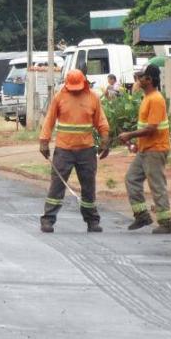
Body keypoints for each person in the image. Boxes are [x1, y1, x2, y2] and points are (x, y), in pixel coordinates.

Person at [38, 68, 110, 233]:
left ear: (84, 83)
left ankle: (92, 221)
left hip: (87, 150)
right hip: (64, 150)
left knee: (88, 187)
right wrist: (44, 141)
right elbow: (49, 119)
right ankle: (48, 220)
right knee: (57, 186)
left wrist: (105, 139)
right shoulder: (59, 97)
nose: (75, 91)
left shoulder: (93, 97)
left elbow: (101, 121)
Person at [118, 64, 171, 234]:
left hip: (155, 150)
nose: (139, 80)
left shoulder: (156, 99)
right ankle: (141, 215)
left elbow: (152, 128)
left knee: (157, 185)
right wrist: (136, 144)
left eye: (142, 77)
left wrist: (130, 135)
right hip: (145, 149)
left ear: (149, 80)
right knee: (131, 179)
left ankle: (165, 223)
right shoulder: (147, 98)